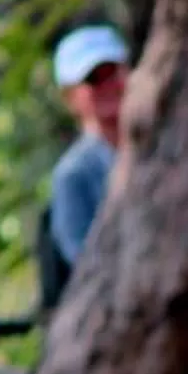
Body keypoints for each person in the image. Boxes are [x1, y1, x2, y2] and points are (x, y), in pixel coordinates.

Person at [46, 24, 131, 274]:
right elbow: (82, 261)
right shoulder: (73, 175)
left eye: (112, 73)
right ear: (70, 97)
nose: (107, 86)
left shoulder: (163, 152)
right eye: (93, 79)